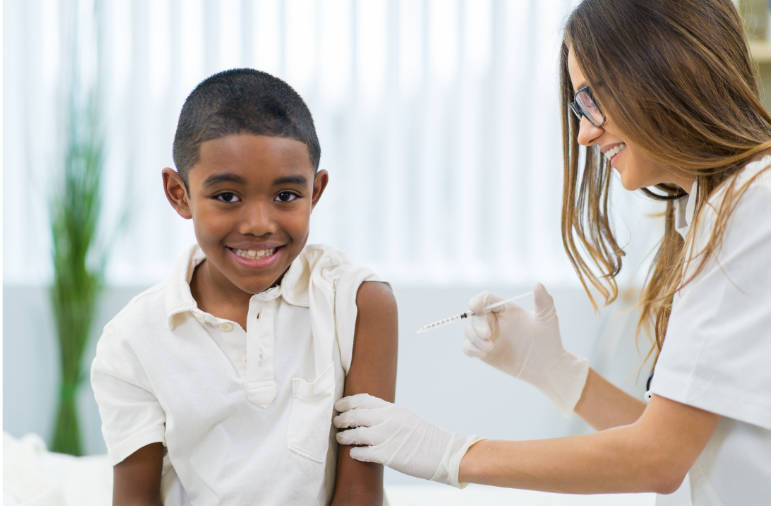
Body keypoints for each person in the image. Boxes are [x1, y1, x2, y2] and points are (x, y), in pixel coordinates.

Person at [333, 1, 771, 504]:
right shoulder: (716, 209)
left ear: (664, 69)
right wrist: (556, 371)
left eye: (591, 99)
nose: (586, 133)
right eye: (579, 108)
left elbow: (660, 459)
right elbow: (688, 446)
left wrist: (452, 453)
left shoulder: (753, 204)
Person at [90, 69, 398, 505]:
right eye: (227, 196)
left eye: (286, 196)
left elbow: (360, 492)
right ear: (180, 194)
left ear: (316, 191)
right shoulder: (132, 341)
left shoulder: (360, 303)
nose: (258, 225)